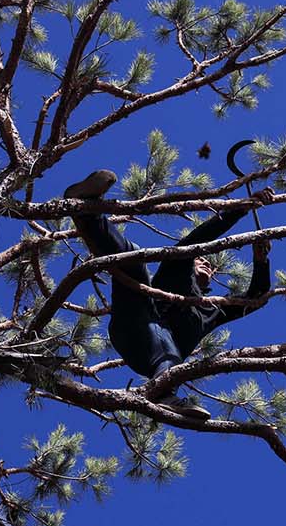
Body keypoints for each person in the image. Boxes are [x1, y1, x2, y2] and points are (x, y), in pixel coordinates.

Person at [63, 168, 272, 420]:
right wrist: (239, 209)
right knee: (134, 261)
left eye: (211, 266)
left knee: (168, 347)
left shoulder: (213, 309)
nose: (206, 264)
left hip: (150, 354)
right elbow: (195, 240)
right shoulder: (177, 271)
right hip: (136, 320)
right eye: (201, 259)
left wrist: (261, 262)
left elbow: (255, 300)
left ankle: (164, 392)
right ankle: (85, 207)